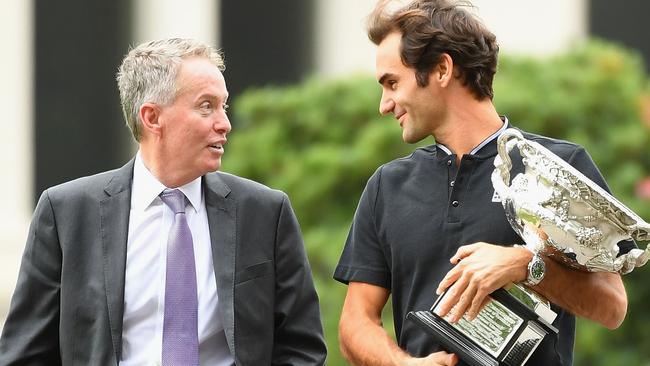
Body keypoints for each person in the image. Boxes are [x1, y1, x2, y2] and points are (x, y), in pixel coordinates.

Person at [334, 1, 631, 365]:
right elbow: (355, 322)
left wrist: (524, 264)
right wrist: (404, 364)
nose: (384, 104)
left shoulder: (559, 165)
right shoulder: (386, 185)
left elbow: (612, 307)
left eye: (392, 82)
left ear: (442, 68)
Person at [0, 38, 326, 365]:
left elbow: (302, 349)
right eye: (206, 106)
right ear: (152, 118)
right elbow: (25, 354)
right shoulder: (66, 214)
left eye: (223, 106)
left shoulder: (265, 213)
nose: (224, 123)